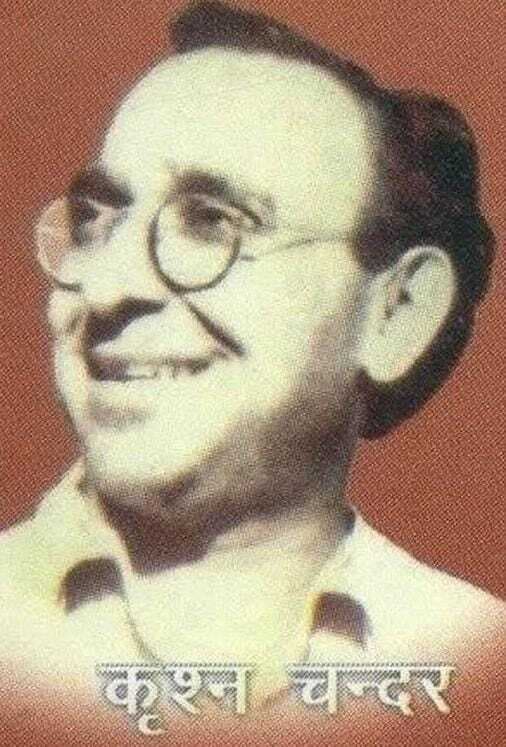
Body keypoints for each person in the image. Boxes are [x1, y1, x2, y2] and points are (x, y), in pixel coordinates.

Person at [1, 0, 504, 720]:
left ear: (396, 313)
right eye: (95, 222)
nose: (109, 288)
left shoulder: (481, 660)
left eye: (212, 222)